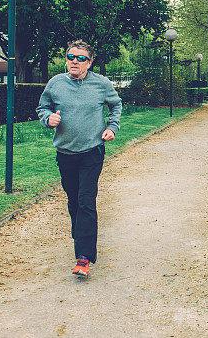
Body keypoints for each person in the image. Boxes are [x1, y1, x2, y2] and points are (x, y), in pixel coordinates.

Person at [36, 40, 122, 277]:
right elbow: (42, 108)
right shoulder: (55, 83)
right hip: (65, 154)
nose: (75, 61)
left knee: (86, 201)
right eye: (71, 57)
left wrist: (112, 127)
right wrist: (48, 118)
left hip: (92, 152)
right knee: (74, 201)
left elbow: (116, 105)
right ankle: (82, 234)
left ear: (89, 62)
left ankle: (83, 258)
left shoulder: (101, 84)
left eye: (80, 58)